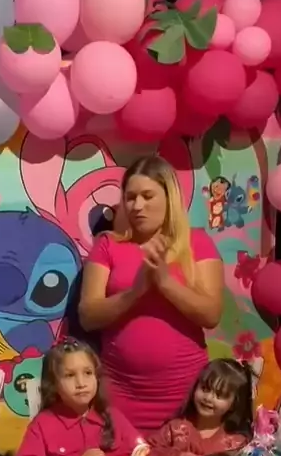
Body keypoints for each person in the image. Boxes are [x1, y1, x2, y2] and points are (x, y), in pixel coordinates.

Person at [79, 155, 224, 433]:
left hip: (186, 396)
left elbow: (211, 314)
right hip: (121, 396)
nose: (137, 206)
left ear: (169, 197)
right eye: (130, 197)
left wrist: (165, 283)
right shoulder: (108, 245)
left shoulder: (197, 243)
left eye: (147, 196)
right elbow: (88, 316)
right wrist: (135, 292)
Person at [16, 338, 141, 456]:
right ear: (53, 383)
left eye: (88, 373)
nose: (81, 383)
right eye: (70, 375)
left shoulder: (113, 416)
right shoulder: (42, 425)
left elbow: (141, 453)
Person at [148, 358, 253, 456]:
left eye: (219, 395)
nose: (208, 398)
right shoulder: (175, 429)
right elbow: (146, 452)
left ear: (234, 404)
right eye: (205, 389)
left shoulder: (236, 443)